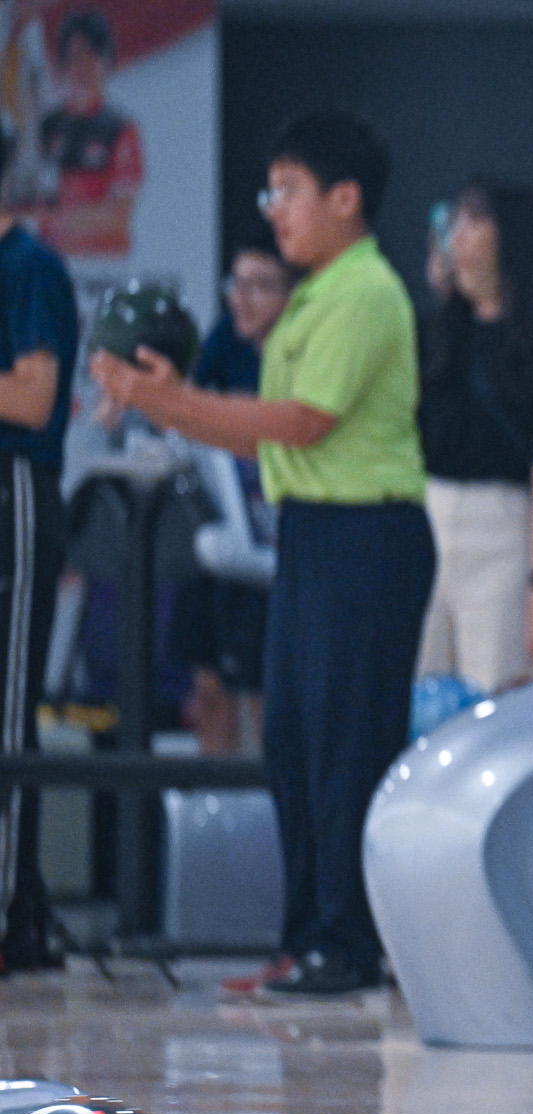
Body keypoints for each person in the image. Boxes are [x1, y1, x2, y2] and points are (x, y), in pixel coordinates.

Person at [95, 107, 434, 1001]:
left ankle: (349, 944)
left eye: (289, 191)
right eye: (271, 190)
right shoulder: (314, 294)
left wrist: (167, 404)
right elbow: (269, 439)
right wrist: (172, 400)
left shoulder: (364, 290)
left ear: (346, 198)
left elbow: (298, 422)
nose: (275, 209)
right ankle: (306, 937)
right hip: (318, 532)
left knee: (347, 743)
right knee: (294, 741)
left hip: (369, 533)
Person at [415, 180, 533, 696]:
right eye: (454, 221)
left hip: (503, 524)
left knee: (495, 691)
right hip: (430, 513)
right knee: (423, 689)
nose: (457, 234)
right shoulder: (435, 330)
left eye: (473, 221)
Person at [167, 226, 293, 756]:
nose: (242, 299)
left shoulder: (300, 350)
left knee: (269, 693)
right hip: (225, 535)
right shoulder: (224, 340)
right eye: (235, 285)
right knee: (211, 683)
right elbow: (190, 408)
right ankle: (210, 813)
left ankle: (270, 818)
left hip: (280, 545)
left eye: (259, 286)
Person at [0, 206, 75, 972]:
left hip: (14, 493)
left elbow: (32, 398)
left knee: (8, 708)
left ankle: (12, 913)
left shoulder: (28, 267)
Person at [36, 10, 142, 257]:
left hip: (103, 266)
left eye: (92, 55)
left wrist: (57, 217)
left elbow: (118, 216)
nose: (83, 66)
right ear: (62, 64)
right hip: (52, 263)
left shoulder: (120, 129)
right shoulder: (48, 125)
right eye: (75, 57)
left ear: (106, 62)